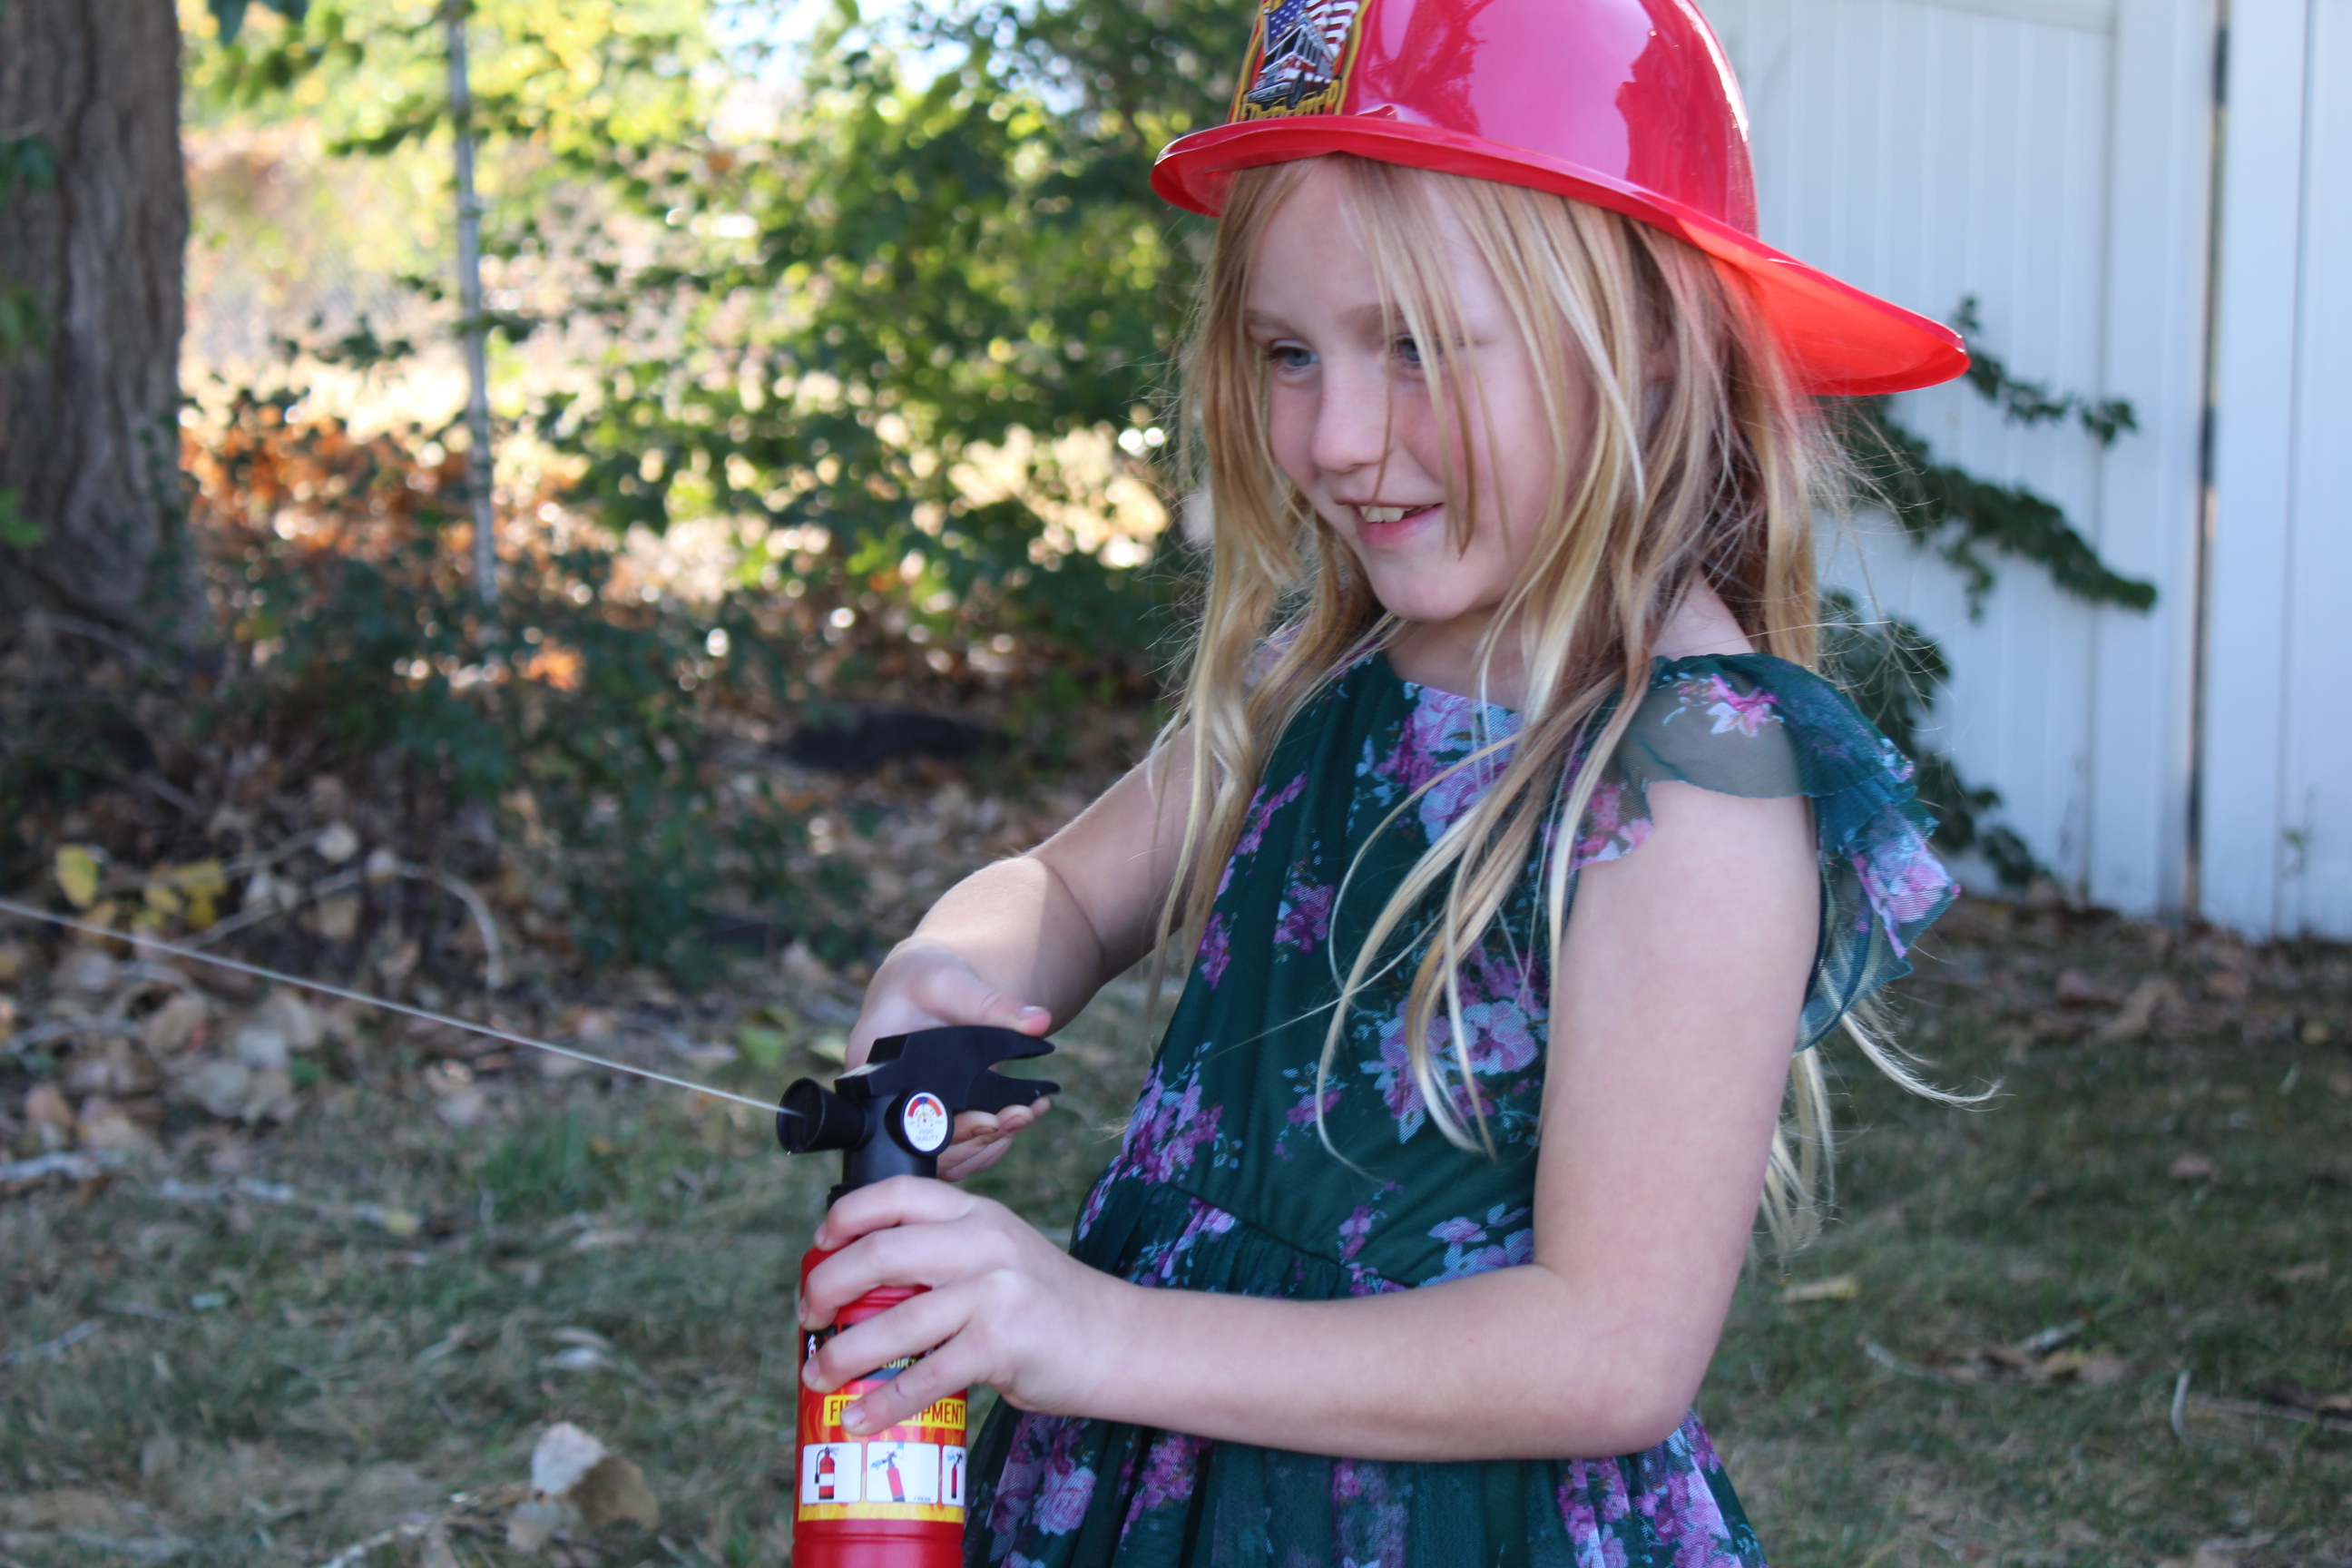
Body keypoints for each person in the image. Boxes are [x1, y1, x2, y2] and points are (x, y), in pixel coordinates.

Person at [799, 0, 1969, 1562]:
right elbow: (1071, 890)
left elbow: (1609, 1351)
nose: (1340, 438)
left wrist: (1093, 1335)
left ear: (1649, 340)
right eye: (1291, 354)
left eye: (1415, 348)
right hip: (1165, 1483)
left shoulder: (1690, 777)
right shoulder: (1330, 673)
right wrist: (949, 969)